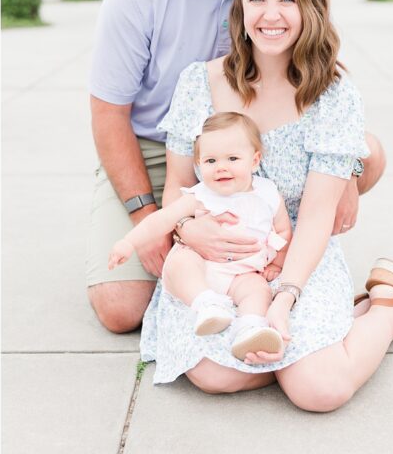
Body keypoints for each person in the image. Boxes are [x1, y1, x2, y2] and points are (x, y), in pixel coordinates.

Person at [140, 0, 393, 411]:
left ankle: (392, 310)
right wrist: (190, 229)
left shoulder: (333, 95)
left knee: (319, 391)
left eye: (287, 0)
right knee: (213, 375)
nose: (271, 15)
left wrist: (283, 298)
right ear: (241, 8)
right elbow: (178, 186)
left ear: (309, 7)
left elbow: (314, 218)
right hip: (218, 262)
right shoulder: (199, 83)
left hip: (295, 255)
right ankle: (317, 344)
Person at [86, 0, 385, 334]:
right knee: (121, 309)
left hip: (260, 143)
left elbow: (322, 82)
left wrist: (348, 174)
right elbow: (108, 114)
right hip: (160, 149)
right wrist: (152, 220)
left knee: (368, 151)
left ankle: (300, 262)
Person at [108, 111, 293, 360]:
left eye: (232, 158)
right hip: (203, 268)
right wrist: (128, 242)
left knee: (258, 291)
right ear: (198, 164)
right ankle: (206, 304)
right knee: (181, 262)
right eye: (210, 161)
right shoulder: (200, 196)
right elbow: (162, 220)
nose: (221, 167)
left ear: (254, 160)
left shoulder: (268, 194)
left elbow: (283, 230)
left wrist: (277, 262)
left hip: (244, 273)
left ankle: (249, 328)